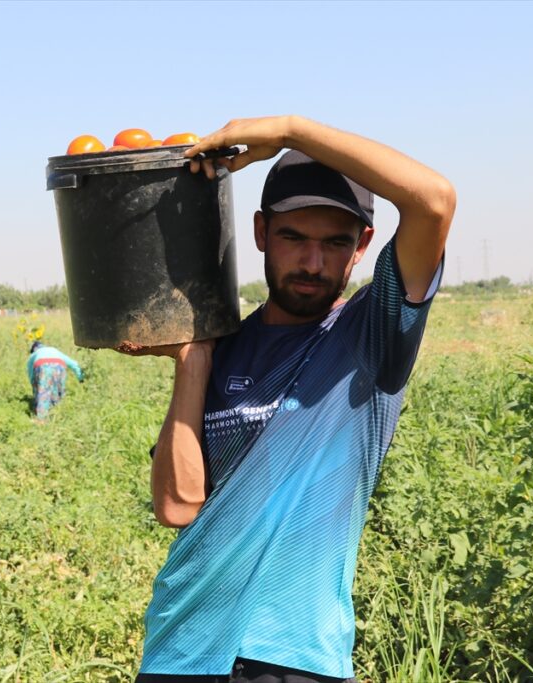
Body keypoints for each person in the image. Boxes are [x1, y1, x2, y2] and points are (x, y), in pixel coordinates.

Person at [129, 116, 456, 683]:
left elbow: (433, 200)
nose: (312, 263)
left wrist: (287, 131)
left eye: (335, 243)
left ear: (363, 248)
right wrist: (194, 360)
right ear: (260, 232)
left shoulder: (371, 336)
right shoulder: (223, 348)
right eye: (293, 238)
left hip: (292, 654)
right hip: (178, 652)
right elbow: (177, 507)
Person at [26, 340, 84, 420]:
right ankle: (58, 415)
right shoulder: (54, 350)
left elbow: (30, 372)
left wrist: (34, 384)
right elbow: (73, 364)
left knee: (43, 392)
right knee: (58, 391)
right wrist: (81, 378)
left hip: (42, 365)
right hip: (59, 366)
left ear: (33, 350)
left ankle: (41, 419)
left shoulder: (33, 355)